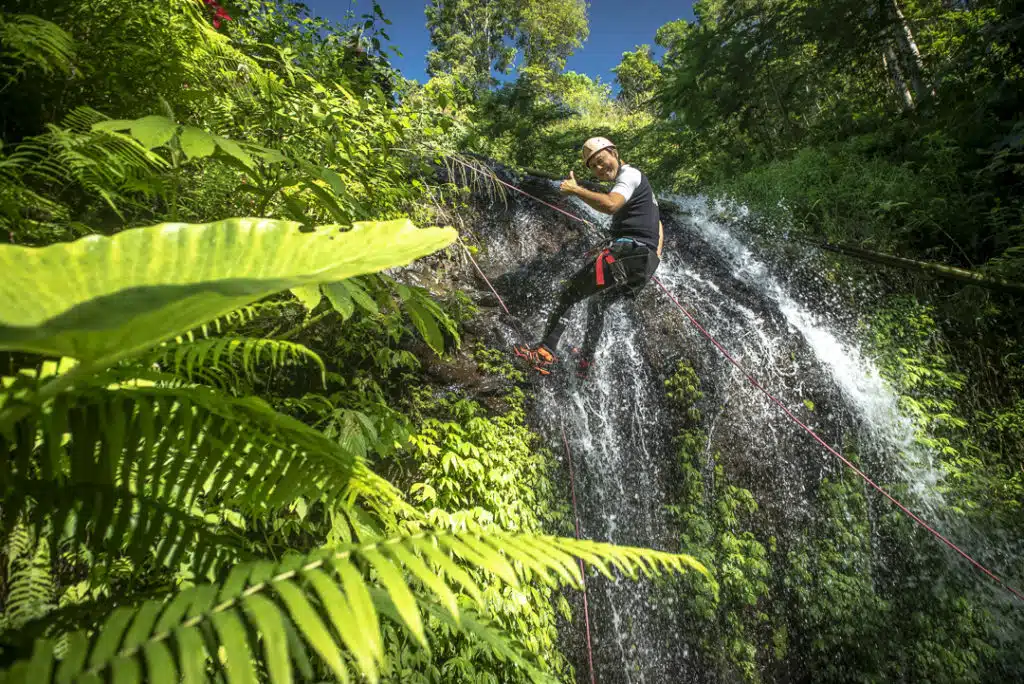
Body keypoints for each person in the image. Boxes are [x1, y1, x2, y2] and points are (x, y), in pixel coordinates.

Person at [514, 136, 663, 378]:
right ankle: (585, 363)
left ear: (614, 152)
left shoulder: (629, 175)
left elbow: (611, 205)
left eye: (602, 161)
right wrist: (650, 257)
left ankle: (545, 352)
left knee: (568, 292)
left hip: (628, 255)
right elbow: (658, 224)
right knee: (598, 303)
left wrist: (575, 190)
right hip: (643, 264)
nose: (600, 168)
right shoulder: (642, 188)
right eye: (594, 166)